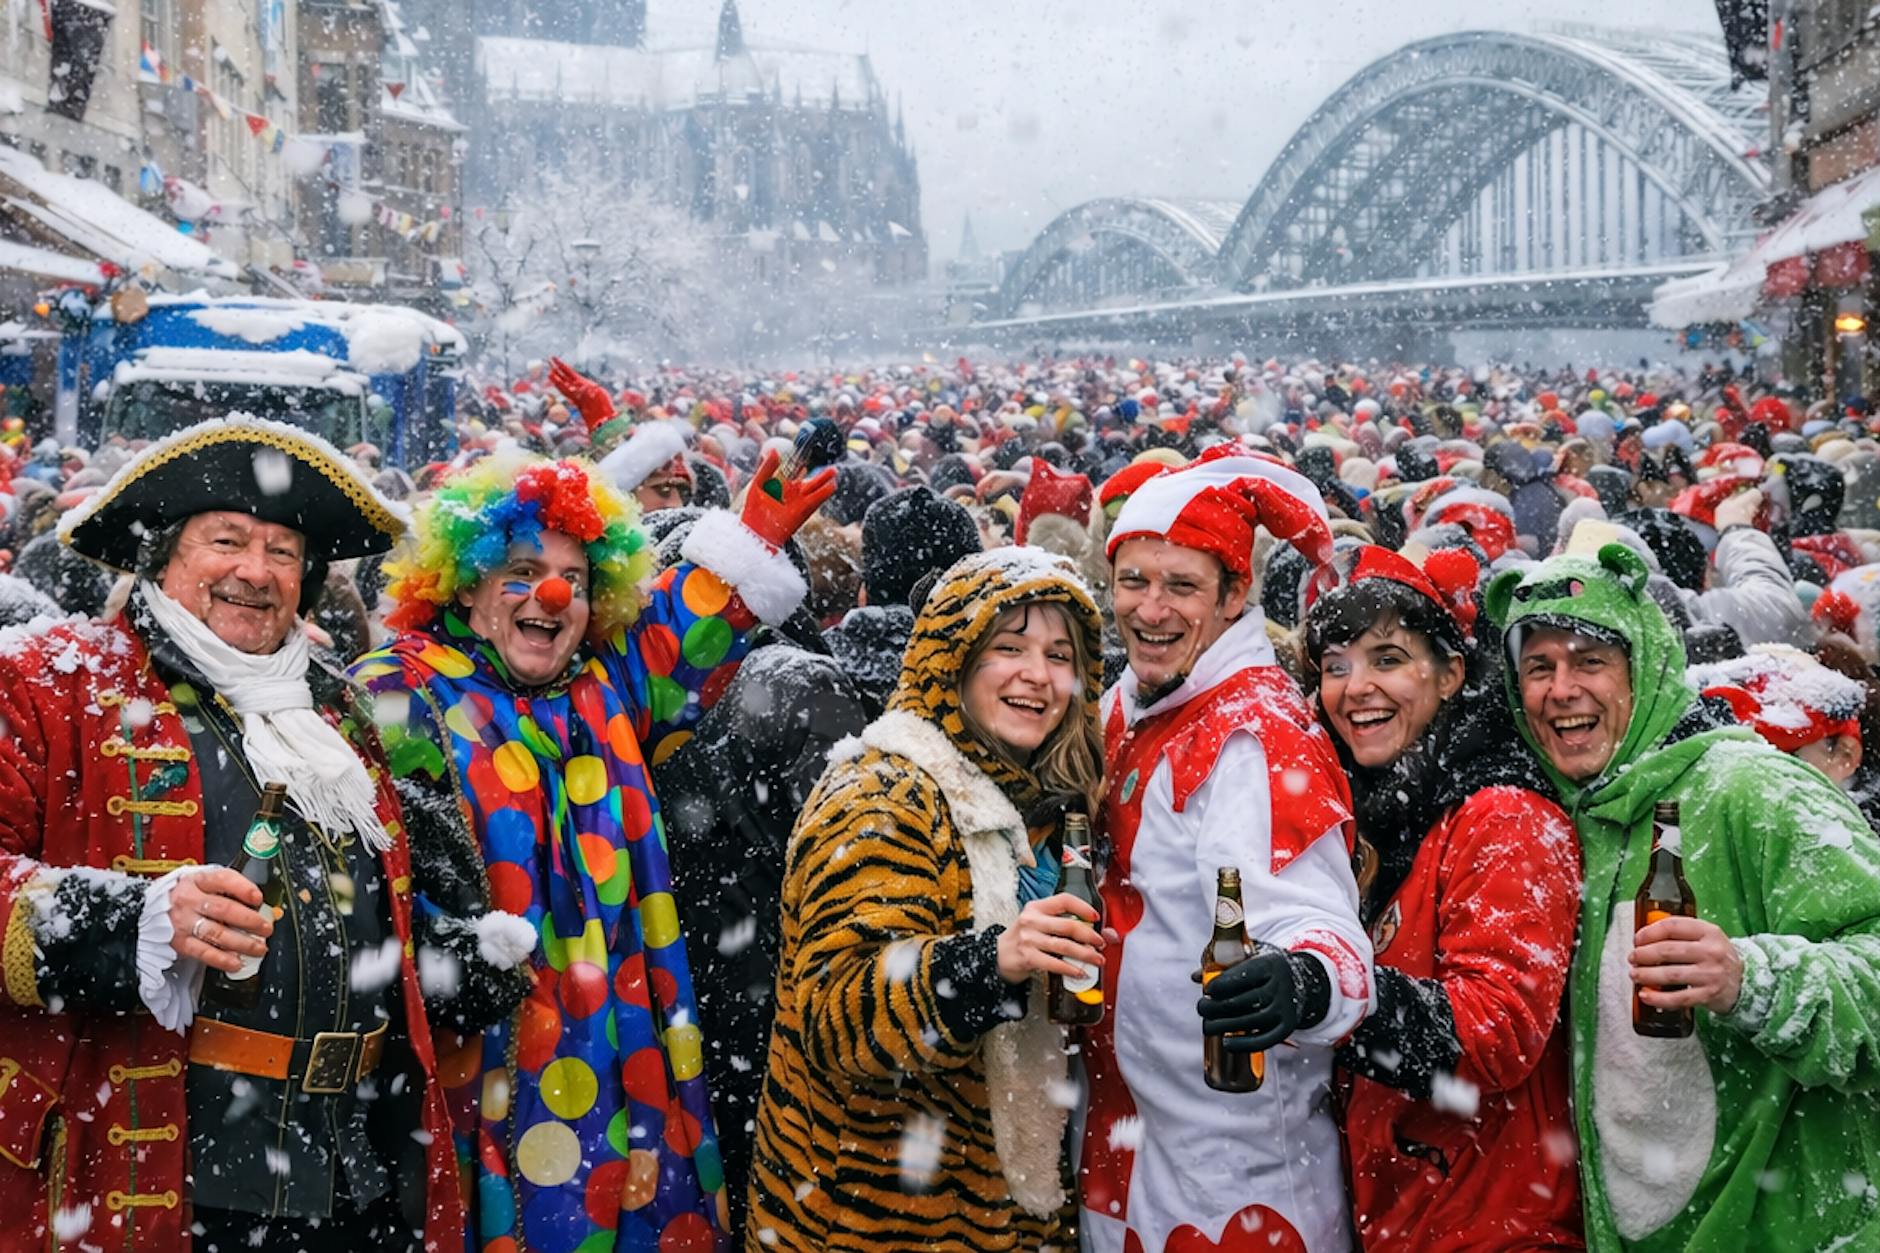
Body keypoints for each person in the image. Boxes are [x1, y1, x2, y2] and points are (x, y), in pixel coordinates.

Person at [0, 417, 473, 1252]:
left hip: (355, 1171)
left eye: (282, 550)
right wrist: (129, 921)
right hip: (170, 1174)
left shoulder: (338, 709)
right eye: (226, 540)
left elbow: (367, 910)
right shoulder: (50, 679)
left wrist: (446, 958)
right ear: (161, 559)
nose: (255, 570)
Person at [353, 447, 832, 1252]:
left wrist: (750, 539)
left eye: (573, 579)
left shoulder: (601, 683)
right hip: (487, 1049)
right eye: (522, 571)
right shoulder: (396, 692)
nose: (552, 594)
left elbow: (678, 633)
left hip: (622, 1038)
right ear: (464, 582)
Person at [1485, 542, 1880, 1252]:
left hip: (1793, 1231)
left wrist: (1752, 979)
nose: (1560, 688)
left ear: (1647, 666)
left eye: (1590, 661)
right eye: (1538, 667)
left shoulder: (1754, 789)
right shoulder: (1562, 820)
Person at [745, 549, 1106, 1252]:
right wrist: (991, 963)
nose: (1038, 674)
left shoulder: (1039, 801)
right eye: (1010, 648)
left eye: (1059, 655)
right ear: (953, 661)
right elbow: (838, 1018)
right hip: (872, 1217)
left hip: (990, 1209)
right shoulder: (882, 794)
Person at [1080, 452, 1375, 1253]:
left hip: (1235, 1178)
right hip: (1124, 1144)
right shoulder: (1127, 703)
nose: (1150, 608)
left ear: (1234, 594)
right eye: (1134, 580)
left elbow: (1316, 921)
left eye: (1181, 585)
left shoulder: (1253, 733)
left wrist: (1304, 979)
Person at [1303, 545, 1583, 1251]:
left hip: (1500, 1226)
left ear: (1452, 673)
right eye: (1335, 665)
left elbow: (1499, 1032)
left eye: (1388, 659)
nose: (1356, 687)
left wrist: (1329, 997)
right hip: (1412, 1221)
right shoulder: (1375, 814)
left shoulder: (1505, 816)